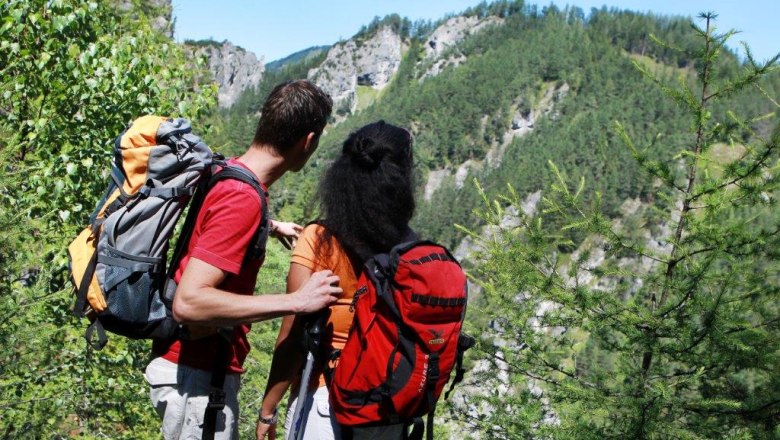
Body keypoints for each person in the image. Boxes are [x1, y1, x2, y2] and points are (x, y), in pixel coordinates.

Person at [144, 79, 340, 440]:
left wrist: (268, 226)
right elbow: (189, 303)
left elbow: (214, 226)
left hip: (194, 371)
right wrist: (297, 301)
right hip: (198, 378)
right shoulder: (242, 199)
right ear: (308, 142)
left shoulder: (228, 173)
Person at [256, 120, 416, 440]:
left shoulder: (320, 239)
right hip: (389, 412)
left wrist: (268, 411)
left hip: (326, 402)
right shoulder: (410, 249)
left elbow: (292, 337)